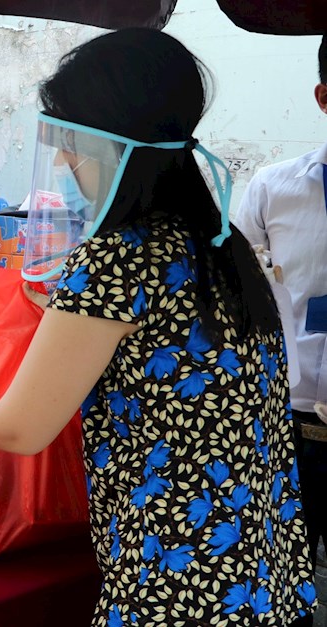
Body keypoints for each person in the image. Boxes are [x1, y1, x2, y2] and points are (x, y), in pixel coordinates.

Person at [0, 29, 316, 625]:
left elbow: (21, 427)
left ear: (113, 144)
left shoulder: (115, 259)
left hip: (176, 581)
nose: (65, 161)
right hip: (261, 573)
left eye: (71, 141)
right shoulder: (221, 244)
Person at [234, 33, 327, 588]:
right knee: (282, 587)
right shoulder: (273, 189)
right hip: (287, 429)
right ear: (323, 97)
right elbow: (238, 298)